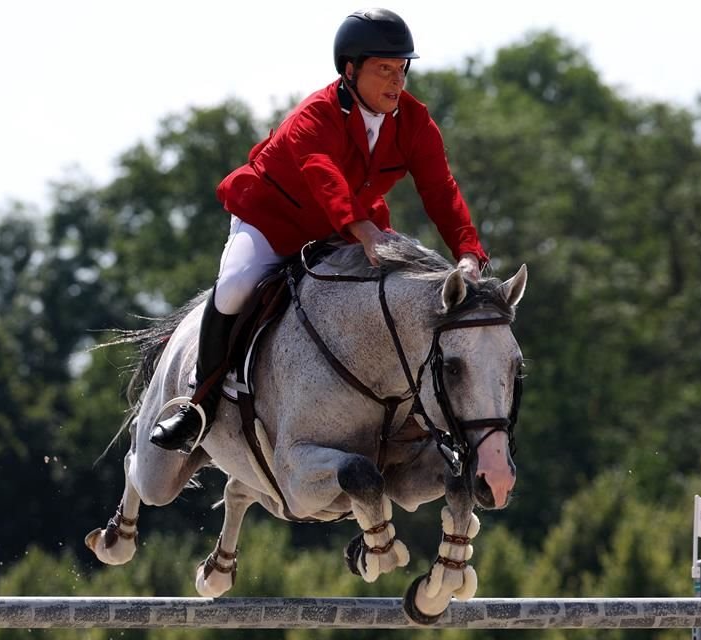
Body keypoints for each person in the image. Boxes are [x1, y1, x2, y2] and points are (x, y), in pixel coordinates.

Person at [150, 7, 489, 452]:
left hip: (347, 228)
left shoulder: (414, 121)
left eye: (402, 70)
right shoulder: (314, 115)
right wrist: (365, 232)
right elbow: (323, 174)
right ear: (350, 70)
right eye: (384, 70)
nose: (397, 82)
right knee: (234, 286)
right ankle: (198, 403)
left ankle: (409, 415)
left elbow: (440, 190)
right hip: (275, 219)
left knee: (395, 296)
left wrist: (468, 252)